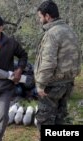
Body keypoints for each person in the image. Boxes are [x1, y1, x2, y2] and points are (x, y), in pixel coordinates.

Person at [34, 0, 81, 136]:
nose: (40, 20)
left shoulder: (52, 33)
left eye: (40, 17)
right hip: (67, 83)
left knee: (45, 121)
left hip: (52, 85)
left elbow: (49, 62)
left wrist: (41, 85)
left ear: (47, 16)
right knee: (61, 120)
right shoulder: (69, 30)